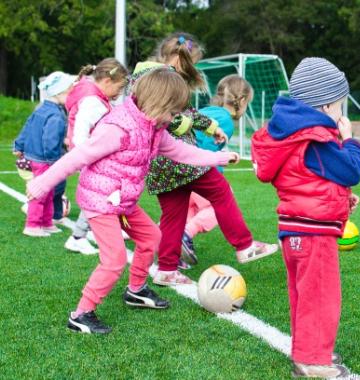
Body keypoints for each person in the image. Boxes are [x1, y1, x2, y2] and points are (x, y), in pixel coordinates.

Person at [26, 68, 239, 334]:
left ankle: (136, 290)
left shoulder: (154, 127)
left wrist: (219, 157)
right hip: (100, 201)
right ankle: (81, 314)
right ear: (158, 103)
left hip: (122, 201)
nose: (176, 119)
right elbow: (77, 157)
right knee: (114, 259)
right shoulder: (117, 128)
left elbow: (180, 151)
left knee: (152, 238)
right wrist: (42, 184)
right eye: (173, 112)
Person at [128, 32, 277, 287]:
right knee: (220, 191)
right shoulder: (161, 78)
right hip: (178, 157)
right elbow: (170, 118)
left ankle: (166, 269)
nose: (191, 69)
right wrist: (195, 130)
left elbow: (185, 112)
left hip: (159, 164)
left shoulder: (144, 75)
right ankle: (245, 245)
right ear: (178, 59)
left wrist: (211, 128)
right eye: (190, 63)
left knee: (174, 215)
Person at [251, 57, 360, 378]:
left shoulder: (292, 136)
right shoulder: (315, 139)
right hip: (313, 234)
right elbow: (351, 170)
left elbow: (309, 180)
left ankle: (308, 349)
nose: (342, 113)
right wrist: (350, 140)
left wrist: (341, 201)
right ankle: (313, 360)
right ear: (326, 105)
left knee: (304, 295)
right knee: (321, 297)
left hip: (295, 229)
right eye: (341, 105)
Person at [181, 74, 254, 266]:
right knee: (219, 205)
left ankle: (170, 247)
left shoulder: (207, 111)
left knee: (186, 211)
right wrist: (219, 159)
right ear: (243, 101)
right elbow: (205, 148)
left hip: (180, 167)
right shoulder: (226, 121)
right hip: (197, 170)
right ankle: (185, 235)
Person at [63, 58, 128, 255]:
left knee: (109, 192)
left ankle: (102, 229)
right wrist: (89, 157)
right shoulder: (92, 101)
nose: (120, 93)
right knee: (99, 195)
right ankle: (77, 237)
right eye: (119, 87)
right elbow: (81, 133)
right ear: (107, 81)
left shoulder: (97, 98)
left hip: (93, 156)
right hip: (90, 157)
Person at [14, 71, 76, 237]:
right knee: (42, 192)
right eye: (69, 92)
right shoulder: (56, 115)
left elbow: (27, 127)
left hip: (36, 157)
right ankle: (33, 225)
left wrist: (18, 145)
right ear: (59, 93)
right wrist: (55, 161)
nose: (71, 96)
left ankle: (46, 222)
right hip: (45, 160)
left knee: (48, 191)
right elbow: (50, 140)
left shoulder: (40, 108)